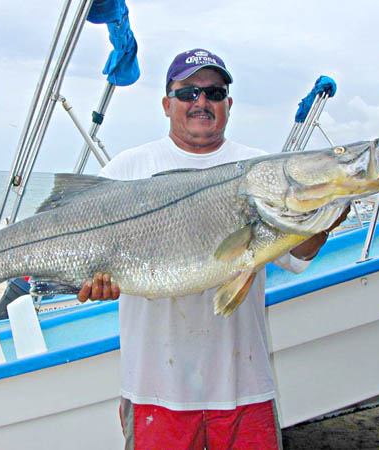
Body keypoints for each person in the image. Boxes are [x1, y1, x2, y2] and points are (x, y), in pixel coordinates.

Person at [77, 49, 348, 449]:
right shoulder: (127, 169)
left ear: (228, 104)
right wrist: (91, 282)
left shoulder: (262, 168)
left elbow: (299, 255)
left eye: (214, 92)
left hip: (245, 388)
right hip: (154, 389)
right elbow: (79, 251)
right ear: (167, 103)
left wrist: (322, 217)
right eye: (187, 93)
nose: (201, 102)